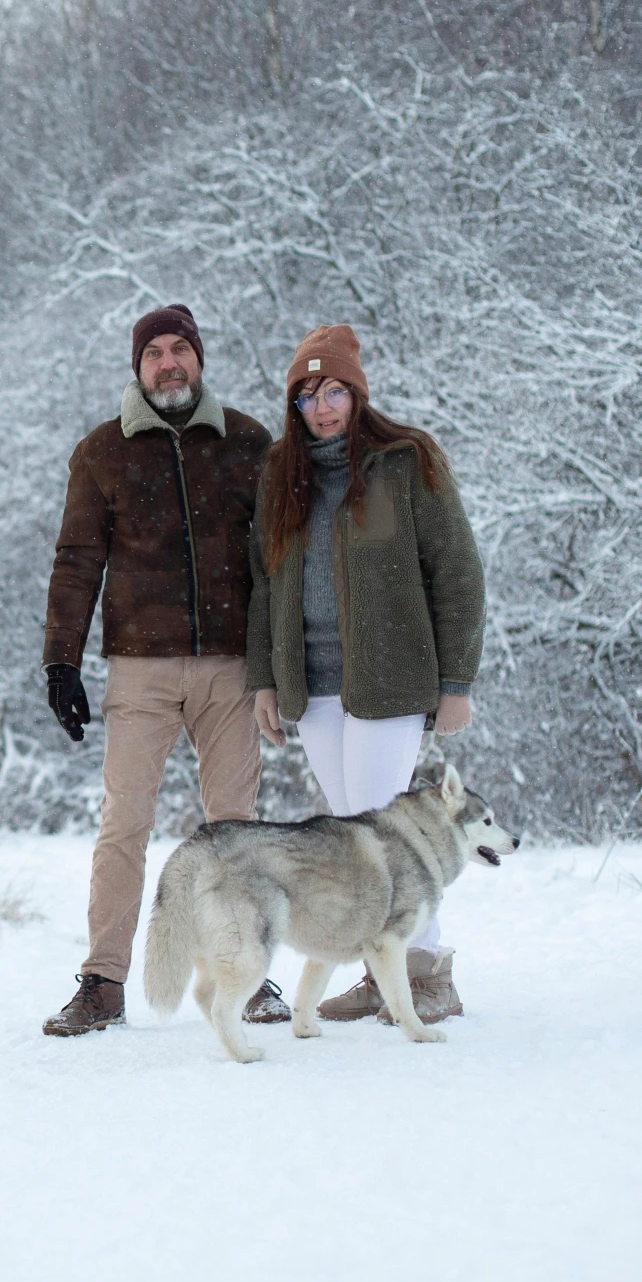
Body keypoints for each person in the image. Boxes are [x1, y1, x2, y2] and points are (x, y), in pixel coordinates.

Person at [40, 304, 276, 1037]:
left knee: (235, 827)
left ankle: (250, 978)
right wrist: (61, 661)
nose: (169, 363)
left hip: (230, 668)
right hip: (139, 669)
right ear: (137, 367)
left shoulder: (246, 442)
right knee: (124, 824)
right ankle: (103, 980)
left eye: (181, 350)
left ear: (199, 359)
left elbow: (277, 561)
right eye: (155, 354)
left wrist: (282, 663)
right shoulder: (103, 452)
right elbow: (77, 559)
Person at [244, 324, 486, 1023]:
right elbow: (266, 585)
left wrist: (457, 683)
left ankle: (428, 976)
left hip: (389, 682)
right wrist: (266, 680)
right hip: (314, 688)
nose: (321, 407)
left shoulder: (403, 462)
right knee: (358, 843)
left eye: (333, 391)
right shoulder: (279, 476)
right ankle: (389, 976)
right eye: (307, 395)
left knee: (390, 838)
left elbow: (458, 572)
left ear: (356, 392)